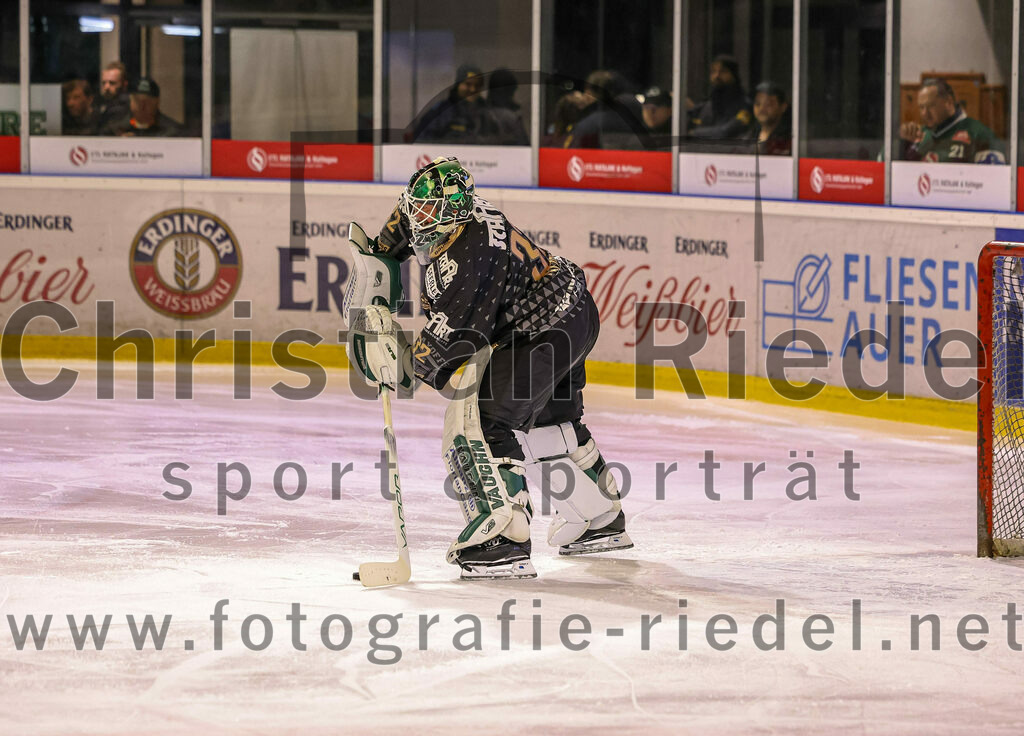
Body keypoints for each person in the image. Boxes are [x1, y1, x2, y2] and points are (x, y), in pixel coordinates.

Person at [345, 157, 633, 579]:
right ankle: (600, 517)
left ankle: (506, 538)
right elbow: (404, 222)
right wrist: (381, 259)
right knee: (549, 425)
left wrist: (395, 367)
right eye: (416, 207)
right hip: (572, 313)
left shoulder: (471, 257)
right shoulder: (445, 214)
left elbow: (451, 346)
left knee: (481, 420)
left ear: (457, 216)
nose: (419, 217)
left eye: (429, 212)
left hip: (540, 332)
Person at [900, 77, 1004, 163]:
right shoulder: (918, 135)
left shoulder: (978, 133)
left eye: (930, 106)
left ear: (948, 102)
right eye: (921, 107)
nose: (924, 113)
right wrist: (901, 141)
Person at [413, 64, 494, 143]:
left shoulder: (487, 113)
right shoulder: (441, 111)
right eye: (468, 84)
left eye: (477, 85)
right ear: (458, 84)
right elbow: (422, 140)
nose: (473, 89)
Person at [688, 53, 753, 140]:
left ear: (734, 75)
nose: (717, 76)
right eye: (713, 71)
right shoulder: (706, 106)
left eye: (723, 71)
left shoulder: (745, 105)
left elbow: (725, 132)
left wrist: (694, 133)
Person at [100, 77, 182, 137]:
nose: (142, 106)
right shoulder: (114, 129)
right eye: (137, 101)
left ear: (157, 102)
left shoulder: (172, 132)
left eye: (148, 101)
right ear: (131, 101)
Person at [748, 81, 791, 155]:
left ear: (783, 107)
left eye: (768, 104)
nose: (762, 109)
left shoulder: (790, 139)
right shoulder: (749, 136)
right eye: (758, 104)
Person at [97, 61, 130, 130]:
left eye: (112, 83)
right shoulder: (101, 105)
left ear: (124, 84)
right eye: (104, 83)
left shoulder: (129, 107)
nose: (106, 87)